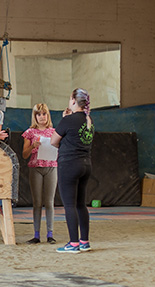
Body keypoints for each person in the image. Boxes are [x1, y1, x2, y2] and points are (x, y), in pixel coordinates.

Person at [51, 88, 94, 253]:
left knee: (69, 205)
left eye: (70, 99)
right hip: (85, 164)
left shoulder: (68, 120)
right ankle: (84, 241)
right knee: (81, 204)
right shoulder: (88, 120)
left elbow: (54, 141)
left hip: (69, 164)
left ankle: (73, 243)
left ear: (74, 101)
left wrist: (64, 121)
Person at [21, 103, 58, 244]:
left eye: (44, 114)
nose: (42, 117)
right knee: (37, 202)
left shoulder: (54, 132)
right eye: (39, 114)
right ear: (35, 116)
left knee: (49, 202)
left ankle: (50, 233)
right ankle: (36, 234)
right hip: (35, 167)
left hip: (51, 166)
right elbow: (24, 154)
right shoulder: (30, 132)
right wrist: (32, 146)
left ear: (48, 115)